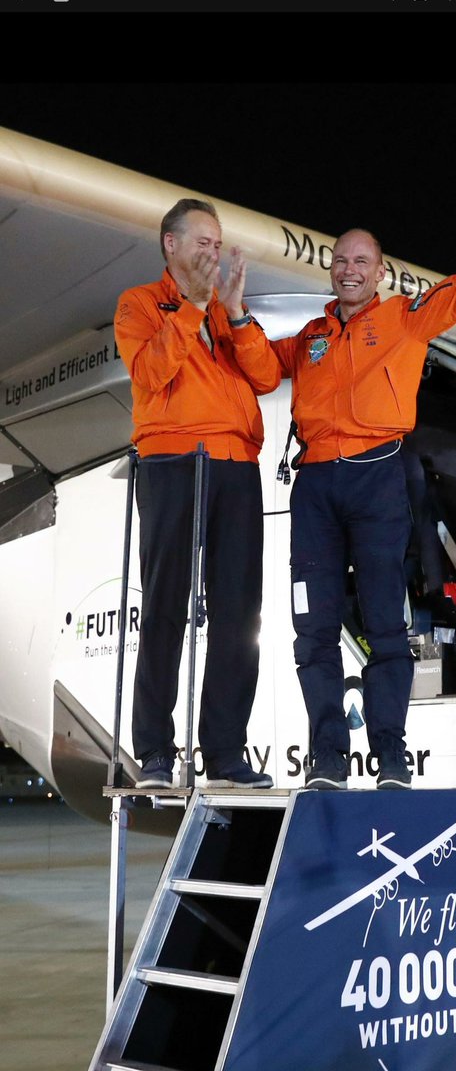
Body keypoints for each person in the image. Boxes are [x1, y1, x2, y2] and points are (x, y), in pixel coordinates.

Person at [232, 186, 456, 791]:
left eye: (361, 261)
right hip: (315, 486)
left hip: (377, 479)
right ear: (331, 269)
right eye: (341, 260)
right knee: (313, 629)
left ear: (380, 271)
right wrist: (236, 315)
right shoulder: (310, 337)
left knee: (387, 626)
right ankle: (327, 759)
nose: (349, 269)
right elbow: (260, 371)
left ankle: (391, 755)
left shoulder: (405, 319)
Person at [114, 198, 280, 789]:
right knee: (165, 603)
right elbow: (149, 374)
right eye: (202, 242)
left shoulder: (225, 313)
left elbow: (266, 377)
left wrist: (234, 314)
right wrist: (191, 308)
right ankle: (155, 752)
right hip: (172, 460)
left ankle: (226, 753)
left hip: (236, 464)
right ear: (171, 244)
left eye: (217, 244)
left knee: (239, 612)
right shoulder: (139, 303)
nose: (213, 253)